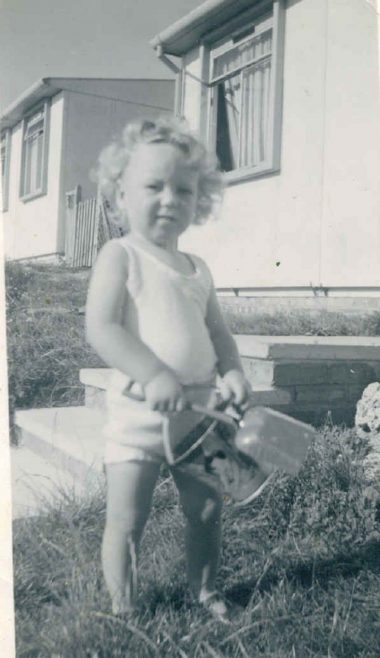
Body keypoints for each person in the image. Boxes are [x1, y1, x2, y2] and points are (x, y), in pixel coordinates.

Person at [86, 117, 252, 622]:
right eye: (153, 186)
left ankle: (205, 591)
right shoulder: (121, 256)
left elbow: (219, 333)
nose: (169, 199)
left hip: (200, 413)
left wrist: (234, 372)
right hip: (139, 414)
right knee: (127, 516)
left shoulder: (198, 268)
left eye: (184, 189)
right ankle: (123, 606)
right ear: (121, 195)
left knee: (206, 509)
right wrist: (154, 372)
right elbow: (103, 328)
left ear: (200, 202)